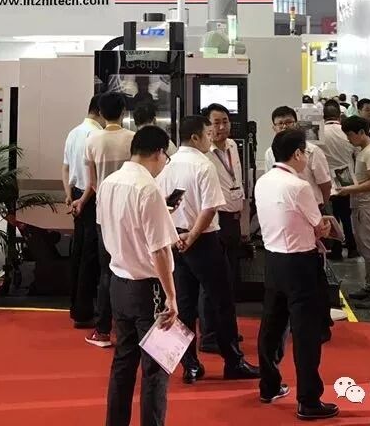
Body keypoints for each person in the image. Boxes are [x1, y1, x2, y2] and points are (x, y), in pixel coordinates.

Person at [157, 115, 259, 384]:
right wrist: (192, 236)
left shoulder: (168, 165)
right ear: (195, 137)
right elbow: (210, 207)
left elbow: (163, 205)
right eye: (207, 133)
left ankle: (189, 365)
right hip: (202, 239)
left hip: (176, 240)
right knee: (221, 301)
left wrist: (178, 237)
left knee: (184, 305)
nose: (211, 136)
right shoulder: (204, 164)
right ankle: (233, 361)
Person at [98, 125, 179, 426]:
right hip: (149, 288)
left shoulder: (109, 183)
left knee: (124, 360)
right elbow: (159, 251)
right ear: (158, 153)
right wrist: (171, 297)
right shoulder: (148, 189)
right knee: (156, 367)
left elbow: (111, 226)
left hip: (119, 282)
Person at [255, 128, 338, 420]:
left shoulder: (263, 181)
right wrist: (326, 227)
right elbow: (318, 226)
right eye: (305, 153)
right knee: (306, 333)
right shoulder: (299, 186)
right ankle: (308, 399)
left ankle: (268, 385)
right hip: (300, 263)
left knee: (272, 325)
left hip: (273, 259)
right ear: (298, 153)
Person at [83, 91, 135, 348]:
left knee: (107, 271)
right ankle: (134, 327)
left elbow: (91, 182)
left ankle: (103, 330)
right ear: (123, 111)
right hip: (130, 212)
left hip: (104, 214)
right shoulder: (133, 139)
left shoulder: (92, 140)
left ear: (101, 113)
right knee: (133, 268)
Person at [199, 103, 247, 353]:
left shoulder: (233, 146)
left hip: (233, 220)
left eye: (225, 121)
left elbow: (235, 180)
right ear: (206, 127)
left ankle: (226, 330)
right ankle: (209, 336)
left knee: (229, 281)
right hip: (214, 221)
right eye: (216, 122)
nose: (222, 127)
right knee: (212, 283)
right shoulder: (203, 154)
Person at [61, 95, 103, 328]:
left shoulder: (73, 132)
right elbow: (93, 179)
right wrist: (84, 200)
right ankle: (85, 311)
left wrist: (70, 195)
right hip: (89, 198)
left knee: (78, 252)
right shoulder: (96, 135)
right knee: (90, 255)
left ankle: (76, 307)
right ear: (100, 111)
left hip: (76, 194)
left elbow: (65, 168)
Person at [338, 116, 370, 309]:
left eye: (350, 135)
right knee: (366, 251)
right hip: (361, 206)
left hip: (369, 208)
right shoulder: (364, 151)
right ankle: (369, 286)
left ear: (361, 133)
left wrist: (349, 189)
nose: (349, 139)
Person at [263, 106, 332, 209]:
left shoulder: (313, 151)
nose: (284, 127)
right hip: (285, 207)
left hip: (312, 206)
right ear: (274, 128)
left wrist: (322, 206)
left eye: (288, 122)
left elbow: (325, 184)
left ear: (296, 124)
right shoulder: (269, 153)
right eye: (280, 123)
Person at [321, 100, 358, 260]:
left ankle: (335, 250)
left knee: (332, 216)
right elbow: (356, 153)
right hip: (345, 176)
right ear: (339, 115)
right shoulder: (346, 132)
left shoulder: (319, 133)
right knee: (346, 215)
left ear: (323, 116)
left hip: (326, 177)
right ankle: (352, 247)